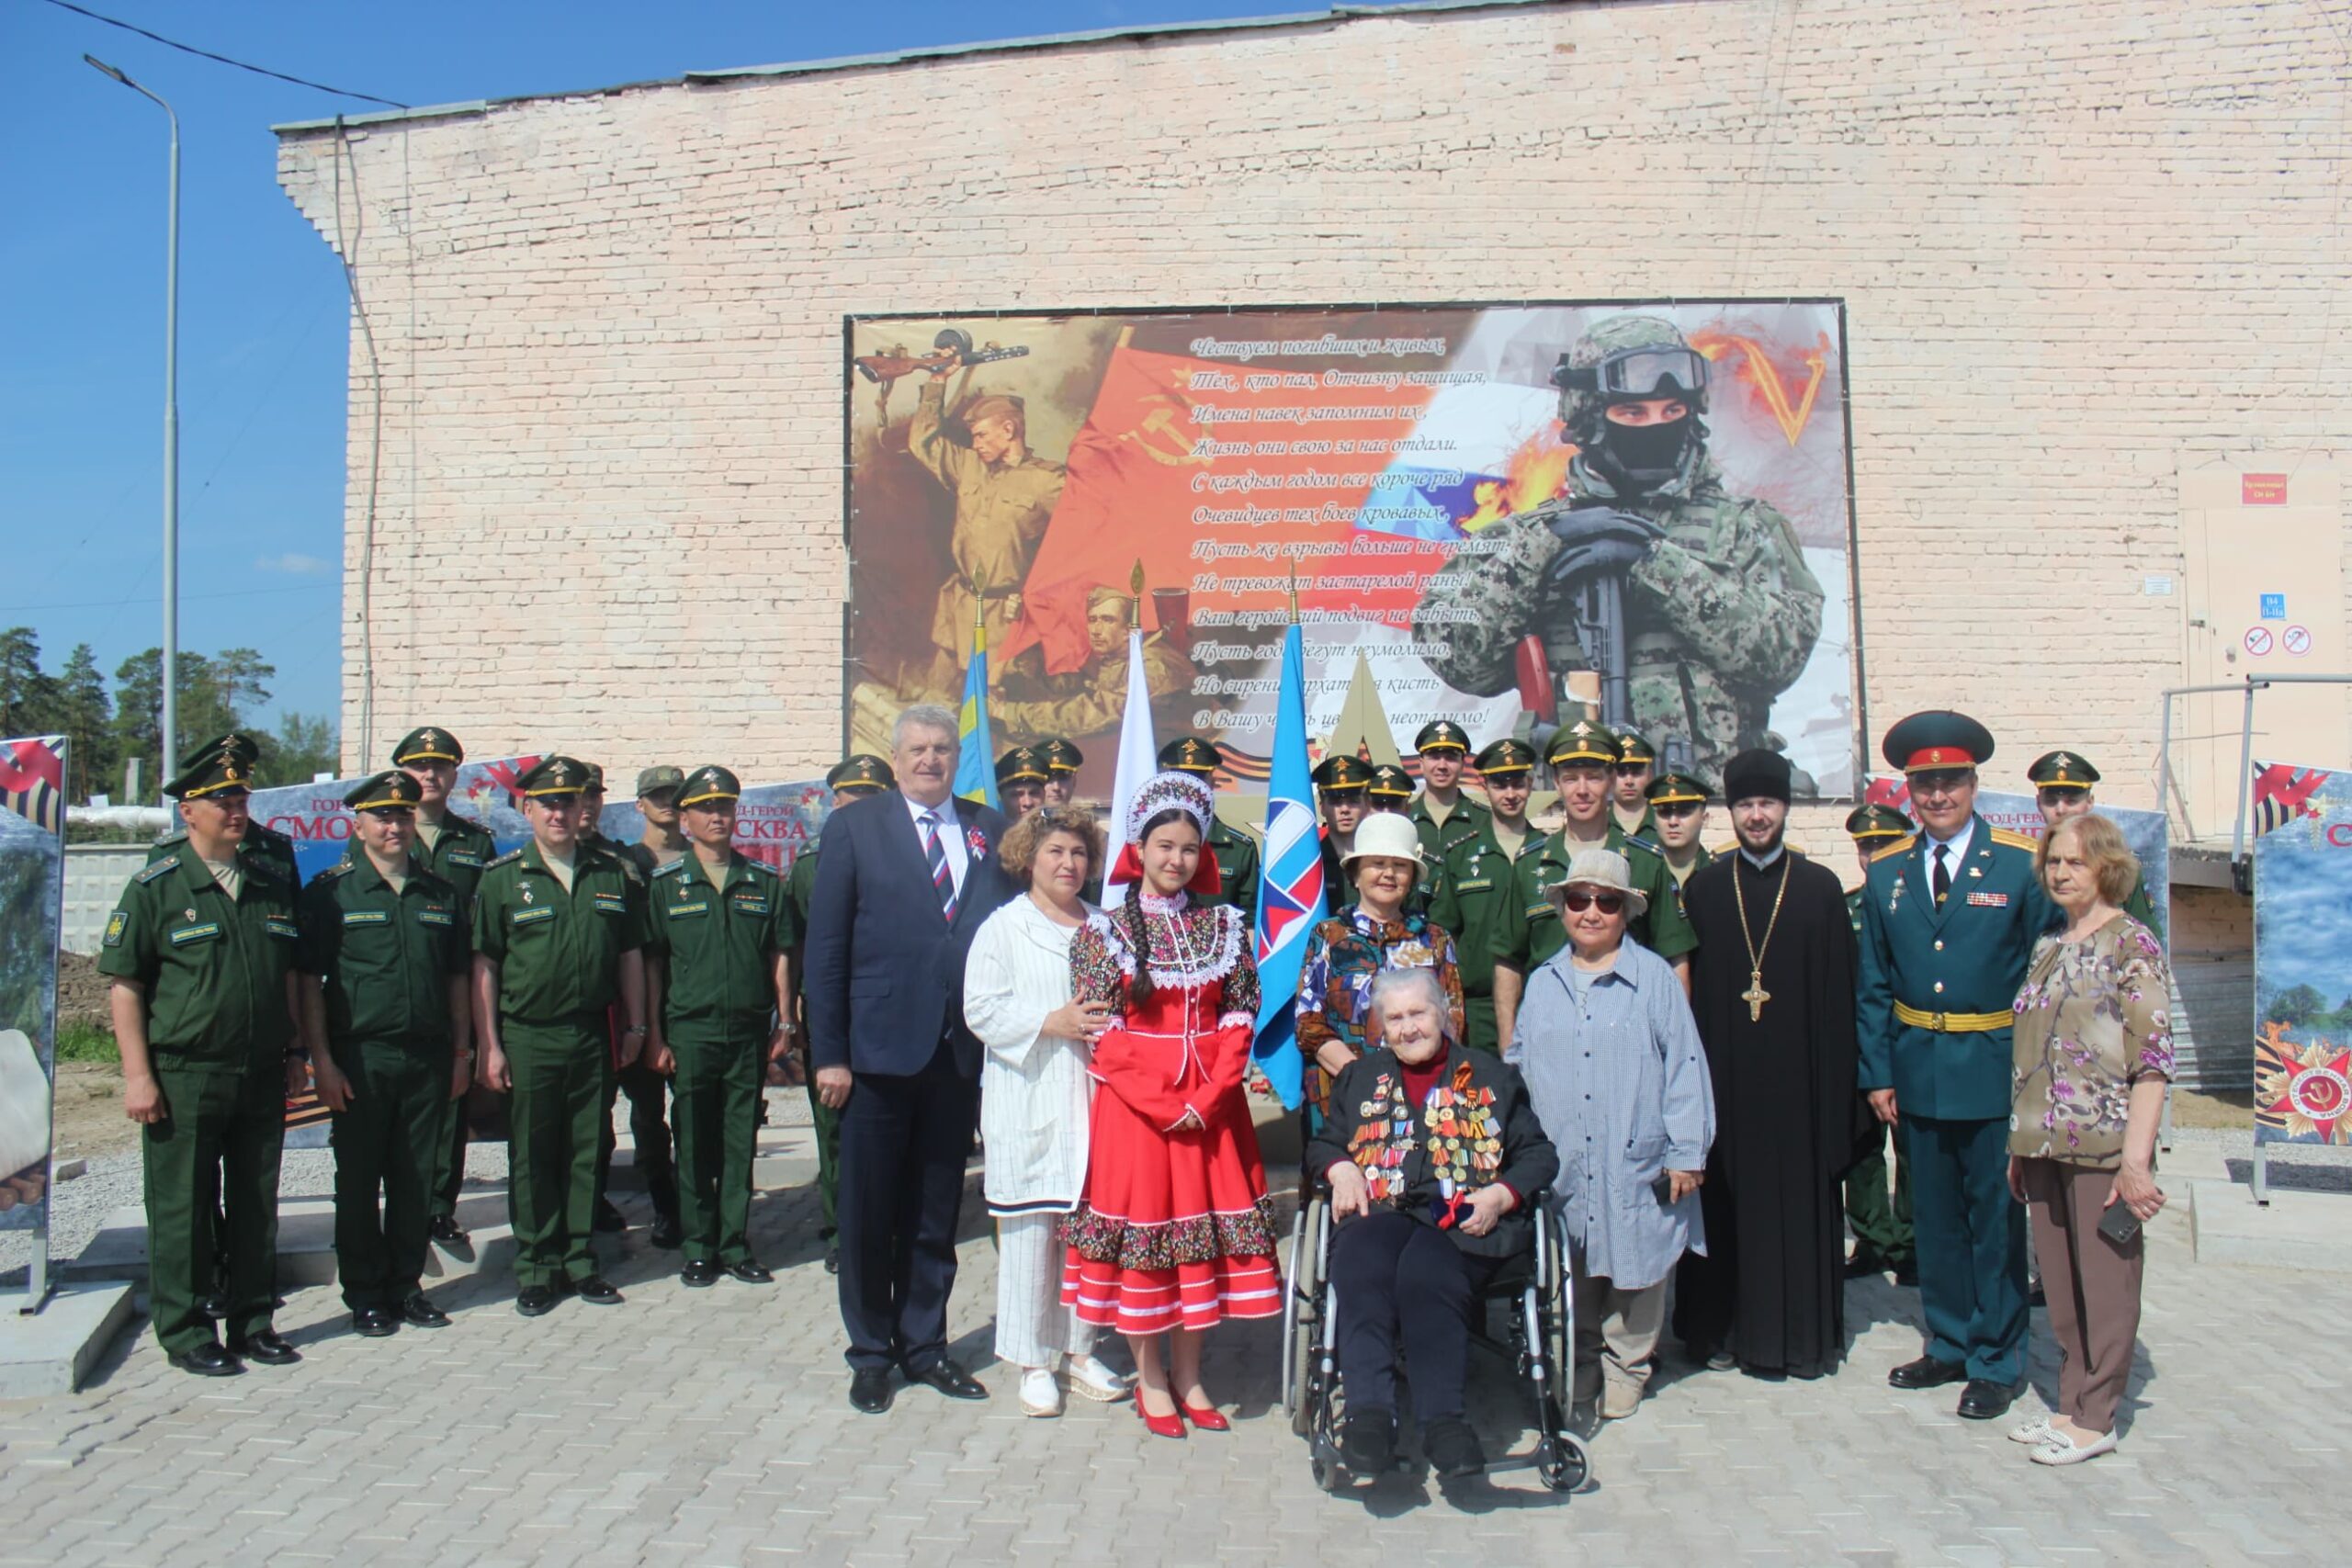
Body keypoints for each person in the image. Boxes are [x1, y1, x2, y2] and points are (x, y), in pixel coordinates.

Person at [1415, 313, 1824, 782]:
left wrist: (1656, 564)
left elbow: (1778, 660)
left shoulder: (1747, 528)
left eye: (1672, 411)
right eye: (1633, 413)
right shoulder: (1525, 537)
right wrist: (1541, 549)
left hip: (1700, 805)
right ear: (1590, 418)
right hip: (1574, 806)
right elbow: (1459, 662)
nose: (1656, 426)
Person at [805, 705, 1015, 1415]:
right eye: (917, 749)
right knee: (869, 1211)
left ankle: (925, 1346)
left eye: (942, 749)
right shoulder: (854, 828)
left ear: (958, 757)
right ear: (894, 760)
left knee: (934, 1211)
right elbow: (826, 951)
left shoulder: (990, 831)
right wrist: (828, 1053)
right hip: (875, 1055)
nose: (930, 759)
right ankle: (871, 1353)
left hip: (958, 1054)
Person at [1063, 771, 1280, 1438]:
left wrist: (1211, 1095)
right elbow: (1102, 1032)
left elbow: (1241, 1010)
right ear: (1139, 847)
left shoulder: (1223, 923)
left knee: (1200, 1248)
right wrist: (1166, 1103)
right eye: (1164, 844)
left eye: (1188, 846)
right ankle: (1151, 1380)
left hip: (1213, 1114)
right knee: (1149, 1246)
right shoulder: (1104, 933)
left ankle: (1191, 1374)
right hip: (1140, 1117)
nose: (1176, 859)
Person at [1857, 711, 2054, 1421]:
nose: (1938, 795)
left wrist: (2035, 1079)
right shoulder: (1888, 873)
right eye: (1924, 783)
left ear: (1974, 784)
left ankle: (1997, 1359)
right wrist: (1878, 1072)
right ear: (1908, 790)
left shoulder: (2018, 865)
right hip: (1917, 1071)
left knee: (1995, 1220)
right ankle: (1948, 1339)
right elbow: (1874, 982)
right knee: (1934, 1218)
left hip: (1994, 1068)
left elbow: (2043, 978)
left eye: (1951, 781)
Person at [99, 744, 307, 1374]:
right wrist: (138, 1075)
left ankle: (252, 1321)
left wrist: (296, 1049)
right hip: (185, 1073)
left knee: (255, 1201)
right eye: (223, 800)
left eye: (241, 799)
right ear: (189, 810)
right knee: (182, 1206)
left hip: (259, 1069)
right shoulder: (157, 887)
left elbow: (290, 977)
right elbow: (125, 985)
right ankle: (187, 1330)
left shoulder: (270, 884)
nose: (236, 809)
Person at [1307, 968, 1558, 1480]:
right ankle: (1369, 1416)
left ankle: (1445, 1423)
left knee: (1426, 1274)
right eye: (1394, 1018)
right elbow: (1324, 1144)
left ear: (1443, 1014)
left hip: (1464, 1223)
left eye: (1417, 1013)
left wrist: (1501, 1194)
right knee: (1357, 1266)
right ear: (1380, 1027)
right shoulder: (1360, 1077)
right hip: (1382, 1213)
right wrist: (1340, 1167)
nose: (1408, 1028)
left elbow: (1539, 1156)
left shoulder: (1492, 1075)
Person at [1671, 750, 1867, 1379]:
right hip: (1726, 1088)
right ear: (1731, 811)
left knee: (1798, 1209)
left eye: (1768, 804)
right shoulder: (1703, 890)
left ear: (1786, 807)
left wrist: (1840, 1098)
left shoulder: (1819, 891)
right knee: (1727, 1211)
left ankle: (1802, 1340)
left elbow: (1842, 1000)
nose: (1757, 816)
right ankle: (1720, 1331)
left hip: (1800, 1087)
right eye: (1747, 805)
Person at [1507, 849, 1713, 1423]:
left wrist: (1687, 1151)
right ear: (1563, 910)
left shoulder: (1655, 980)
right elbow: (1520, 1066)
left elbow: (1684, 1067)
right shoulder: (1543, 982)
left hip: (1634, 1152)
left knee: (1638, 1267)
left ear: (1625, 911)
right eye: (1579, 901)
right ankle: (1580, 1365)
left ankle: (1629, 1366)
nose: (1591, 913)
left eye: (1606, 902)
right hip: (1566, 1158)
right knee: (1570, 1269)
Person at [2007, 813, 2174, 1465]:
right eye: (2053, 861)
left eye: (2075, 861)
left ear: (2106, 866)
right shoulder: (2049, 943)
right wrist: (2018, 1145)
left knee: (2105, 1288)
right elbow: (2030, 1048)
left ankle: (2098, 1415)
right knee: (2062, 1285)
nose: (2060, 872)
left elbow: (2153, 1057)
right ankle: (2072, 1402)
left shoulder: (2132, 943)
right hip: (2043, 1143)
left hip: (2105, 1142)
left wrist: (2137, 1160)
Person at [961, 805, 1133, 1417]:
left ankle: (1081, 1348)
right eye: (1056, 852)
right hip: (1030, 1096)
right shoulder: (1003, 928)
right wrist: (1049, 1022)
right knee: (1033, 1233)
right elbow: (979, 1008)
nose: (1069, 863)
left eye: (1079, 853)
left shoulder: (1108, 926)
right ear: (1028, 859)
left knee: (1087, 1234)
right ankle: (1032, 1359)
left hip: (1097, 1104)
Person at [470, 755, 649, 1317]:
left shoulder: (608, 873)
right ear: (527, 809)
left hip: (591, 1032)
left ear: (583, 809)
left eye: (568, 801)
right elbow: (485, 967)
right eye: (547, 802)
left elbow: (630, 956)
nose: (559, 812)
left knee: (585, 1151)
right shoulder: (503, 879)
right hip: (529, 1034)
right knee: (533, 1155)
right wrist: (491, 1045)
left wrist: (637, 1025)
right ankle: (537, 1266)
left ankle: (579, 1260)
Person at [297, 771, 470, 1337]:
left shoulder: (439, 893)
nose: (393, 826)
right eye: (381, 816)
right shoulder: (331, 891)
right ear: (359, 824)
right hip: (359, 1058)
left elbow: (457, 981)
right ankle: (365, 1293)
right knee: (359, 1180)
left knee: (415, 1180)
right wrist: (320, 1059)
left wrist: (463, 1051)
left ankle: (406, 1285)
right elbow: (307, 983)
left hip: (426, 1056)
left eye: (401, 816)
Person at [642, 766, 795, 1289]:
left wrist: (786, 1021)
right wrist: (655, 1036)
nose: (717, 816)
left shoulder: (762, 882)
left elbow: (779, 956)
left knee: (738, 1141)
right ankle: (698, 1247)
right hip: (690, 1032)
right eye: (705, 808)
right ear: (685, 820)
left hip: (748, 1031)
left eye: (725, 807)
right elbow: (653, 965)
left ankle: (734, 1243)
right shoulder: (666, 886)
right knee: (693, 1139)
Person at [1493, 718, 1696, 1052]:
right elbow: (1507, 961)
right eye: (1571, 779)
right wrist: (1508, 1045)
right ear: (1556, 782)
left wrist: (1675, 1044)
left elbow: (1675, 960)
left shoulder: (1645, 862)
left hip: (1630, 1037)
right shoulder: (1530, 865)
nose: (1582, 790)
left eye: (1594, 777)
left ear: (1612, 780)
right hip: (1549, 1035)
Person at [786, 753, 896, 1274]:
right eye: (855, 795)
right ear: (837, 800)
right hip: (834, 1011)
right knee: (834, 1127)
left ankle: (887, 1226)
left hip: (889, 1014)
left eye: (874, 795)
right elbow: (802, 946)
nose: (864, 805)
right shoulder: (811, 863)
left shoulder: (909, 856)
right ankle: (840, 1228)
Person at [391, 725, 497, 1248]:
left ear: (455, 775)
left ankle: (439, 1207)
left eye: (440, 767)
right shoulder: (382, 830)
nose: (429, 775)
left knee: (451, 1108)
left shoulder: (476, 842)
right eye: (418, 766)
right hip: (393, 995)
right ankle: (397, 1210)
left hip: (455, 994)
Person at [1295, 812, 1465, 1122]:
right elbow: (1308, 1024)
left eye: (1400, 866)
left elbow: (1452, 1021)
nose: (1389, 874)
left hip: (1420, 1097)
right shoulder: (1328, 936)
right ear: (1355, 875)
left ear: (1412, 877)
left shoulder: (1436, 940)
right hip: (1340, 1096)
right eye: (1377, 864)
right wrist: (1362, 1077)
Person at [910, 357, 1067, 693]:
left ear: (1008, 430)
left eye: (981, 436)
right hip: (958, 610)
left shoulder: (1047, 481)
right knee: (936, 702)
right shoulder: (968, 465)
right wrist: (937, 382)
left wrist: (1036, 598)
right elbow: (922, 442)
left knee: (990, 712)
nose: (976, 444)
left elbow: (1078, 545)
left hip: (1006, 620)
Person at [582, 765, 677, 1245]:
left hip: (650, 1006)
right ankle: (591, 1204)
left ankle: (669, 1207)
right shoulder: (612, 862)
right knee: (593, 1122)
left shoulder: (626, 862)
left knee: (651, 1118)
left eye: (592, 795)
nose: (583, 805)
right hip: (601, 1011)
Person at [1427, 739, 1544, 1054]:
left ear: (1531, 784)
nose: (1510, 794)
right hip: (1477, 1009)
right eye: (1499, 784)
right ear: (1484, 786)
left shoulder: (1550, 852)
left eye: (1518, 783)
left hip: (1542, 1002)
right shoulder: (1462, 854)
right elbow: (1442, 933)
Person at [1842, 802, 1917, 1285]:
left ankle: (1912, 1243)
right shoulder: (1846, 906)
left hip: (1909, 1044)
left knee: (1912, 1150)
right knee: (1862, 1149)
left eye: (1883, 843)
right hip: (1859, 1044)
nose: (1873, 854)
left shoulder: (1919, 903)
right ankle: (1872, 1237)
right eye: (1866, 846)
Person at [991, 584, 1194, 747]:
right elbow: (1074, 686)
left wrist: (1008, 712)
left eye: (1107, 620)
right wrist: (1026, 630)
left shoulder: (1155, 666)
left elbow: (1092, 712)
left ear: (1129, 629)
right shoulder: (1117, 656)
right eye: (1092, 620)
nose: (1096, 630)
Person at [2027, 751, 2162, 938]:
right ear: (2038, 803)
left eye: (2071, 801)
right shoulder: (2025, 865)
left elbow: (2146, 934)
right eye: (2051, 801)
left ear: (2090, 802)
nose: (2061, 809)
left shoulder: (2115, 864)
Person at [145, 729, 300, 886]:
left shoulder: (277, 849)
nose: (237, 814)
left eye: (244, 770)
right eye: (224, 805)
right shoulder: (169, 852)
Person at [1158, 736, 1260, 920]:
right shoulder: (1148, 844)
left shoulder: (1239, 850)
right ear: (1168, 784)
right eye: (1181, 779)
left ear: (1212, 782)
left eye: (1198, 779)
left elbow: (1250, 922)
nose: (1190, 787)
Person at [1408, 719, 1490, 864]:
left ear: (1463, 764)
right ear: (1421, 764)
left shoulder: (1486, 820)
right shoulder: (1404, 818)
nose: (1442, 766)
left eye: (1451, 758)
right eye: (1434, 757)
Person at [1312, 754, 1374, 914]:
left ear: (1367, 804)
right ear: (1322, 808)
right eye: (1335, 802)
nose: (1345, 809)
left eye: (1353, 801)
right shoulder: (1311, 862)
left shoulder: (1383, 858)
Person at [1644, 771, 1713, 911]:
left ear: (1704, 819)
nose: (1673, 821)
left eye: (1684, 812)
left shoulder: (1719, 875)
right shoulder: (1638, 871)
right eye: (1665, 812)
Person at [1611, 728, 1659, 840]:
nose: (1629, 781)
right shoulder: (1597, 828)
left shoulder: (1666, 826)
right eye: (1621, 773)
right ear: (1609, 777)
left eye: (1637, 772)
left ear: (1650, 775)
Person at [996, 746, 1049, 821]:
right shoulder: (989, 832)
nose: (1028, 803)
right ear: (1002, 797)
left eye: (1034, 793)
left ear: (1044, 794)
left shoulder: (1060, 831)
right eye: (1017, 795)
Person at [1038, 738, 1083, 807]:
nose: (1056, 787)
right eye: (1048, 779)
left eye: (1063, 778)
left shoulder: (1088, 817)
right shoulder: (1018, 817)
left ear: (1074, 781)